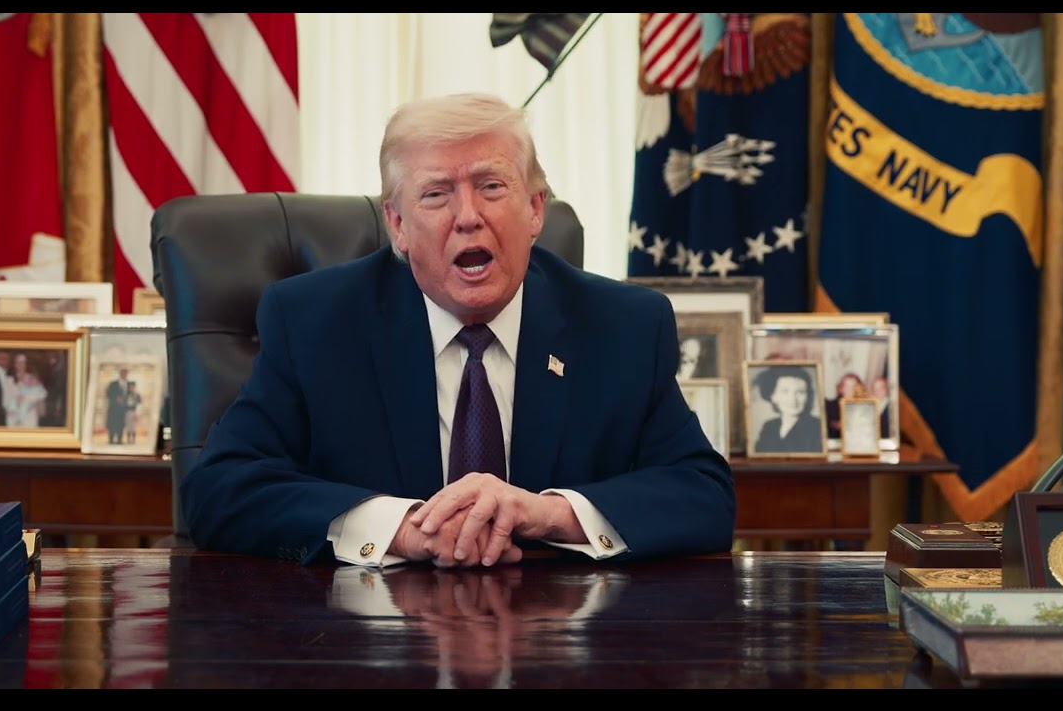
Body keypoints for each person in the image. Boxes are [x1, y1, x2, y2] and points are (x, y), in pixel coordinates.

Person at [180, 91, 735, 569]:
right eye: (436, 193)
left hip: (562, 632)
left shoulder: (623, 326)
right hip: (367, 634)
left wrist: (547, 513)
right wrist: (401, 529)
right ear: (397, 225)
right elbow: (218, 489)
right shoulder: (314, 322)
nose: (468, 216)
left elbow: (702, 496)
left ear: (535, 209)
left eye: (491, 186)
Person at [752, 364, 824, 454]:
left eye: (800, 392)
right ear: (773, 396)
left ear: (808, 396)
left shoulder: (817, 426)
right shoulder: (769, 427)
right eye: (785, 392)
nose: (793, 399)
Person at [4, 352, 48, 428]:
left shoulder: (33, 378)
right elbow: (5, 401)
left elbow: (42, 394)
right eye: (18, 362)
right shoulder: (9, 380)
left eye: (23, 362)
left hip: (30, 418)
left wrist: (29, 398)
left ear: (26, 364)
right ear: (14, 364)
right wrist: (16, 401)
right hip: (13, 417)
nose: (21, 365)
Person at [105, 368, 130, 444]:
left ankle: (119, 440)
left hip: (122, 409)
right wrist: (116, 398)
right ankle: (111, 440)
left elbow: (130, 396)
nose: (124, 375)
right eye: (123, 373)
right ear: (120, 374)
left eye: (126, 374)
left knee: (120, 425)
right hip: (113, 408)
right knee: (112, 425)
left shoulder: (129, 384)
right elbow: (108, 394)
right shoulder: (113, 384)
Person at [124, 380, 142, 444]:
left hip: (134, 412)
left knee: (133, 427)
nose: (131, 388)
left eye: (133, 387)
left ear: (135, 387)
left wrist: (137, 413)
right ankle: (128, 440)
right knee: (128, 426)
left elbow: (139, 405)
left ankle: (133, 440)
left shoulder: (137, 395)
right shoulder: (126, 395)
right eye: (130, 387)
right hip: (127, 412)